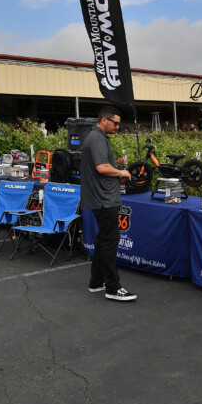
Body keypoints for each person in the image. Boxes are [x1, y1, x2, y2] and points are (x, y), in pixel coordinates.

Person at [81, 106, 135, 301]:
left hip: (102, 197)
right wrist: (121, 173)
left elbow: (102, 170)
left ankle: (96, 282)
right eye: (116, 122)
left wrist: (115, 177)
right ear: (104, 120)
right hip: (104, 200)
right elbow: (102, 168)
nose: (118, 127)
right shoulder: (96, 138)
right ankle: (112, 287)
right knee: (110, 241)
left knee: (103, 240)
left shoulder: (98, 138)